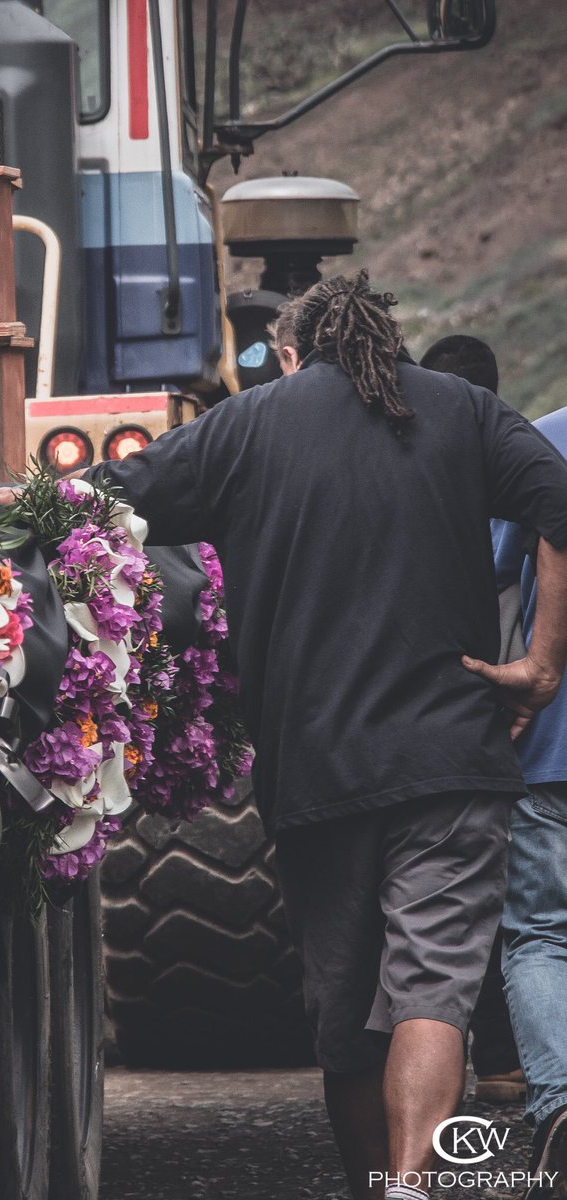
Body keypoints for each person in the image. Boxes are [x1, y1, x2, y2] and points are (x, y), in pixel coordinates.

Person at [0, 269, 567, 1200]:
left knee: (344, 1021)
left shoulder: (246, 426)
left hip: (319, 772)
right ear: (384, 336)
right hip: (454, 759)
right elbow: (560, 500)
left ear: (291, 353)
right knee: (434, 994)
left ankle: (379, 1184)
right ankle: (414, 1191)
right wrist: (541, 663)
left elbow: (97, 501)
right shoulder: (462, 409)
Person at [419, 333, 525, 1107]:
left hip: (446, 710)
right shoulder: (515, 452)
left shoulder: (425, 462)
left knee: (466, 900)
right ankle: (513, 1056)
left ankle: (486, 1057)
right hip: (523, 703)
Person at [492, 404, 567, 1197]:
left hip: (553, 743)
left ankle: (561, 1103)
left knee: (542, 933)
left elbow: (491, 557)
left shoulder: (545, 439)